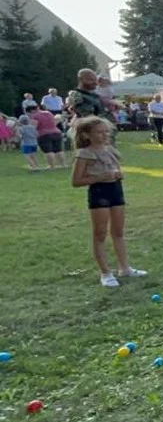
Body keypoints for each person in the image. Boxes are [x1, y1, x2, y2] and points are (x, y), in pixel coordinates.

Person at [70, 116, 147, 287]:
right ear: (87, 135)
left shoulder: (110, 150)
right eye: (99, 132)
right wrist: (100, 177)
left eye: (106, 131)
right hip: (99, 193)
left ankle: (124, 268)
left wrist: (118, 174)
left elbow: (116, 169)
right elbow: (76, 181)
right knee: (100, 233)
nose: (104, 135)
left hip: (115, 190)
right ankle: (105, 272)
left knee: (118, 232)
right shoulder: (84, 154)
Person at [29, 104, 65, 168]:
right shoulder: (48, 113)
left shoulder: (35, 116)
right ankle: (63, 164)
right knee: (59, 150)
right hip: (56, 132)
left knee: (48, 151)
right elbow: (54, 122)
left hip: (44, 134)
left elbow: (34, 126)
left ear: (32, 111)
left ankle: (52, 166)